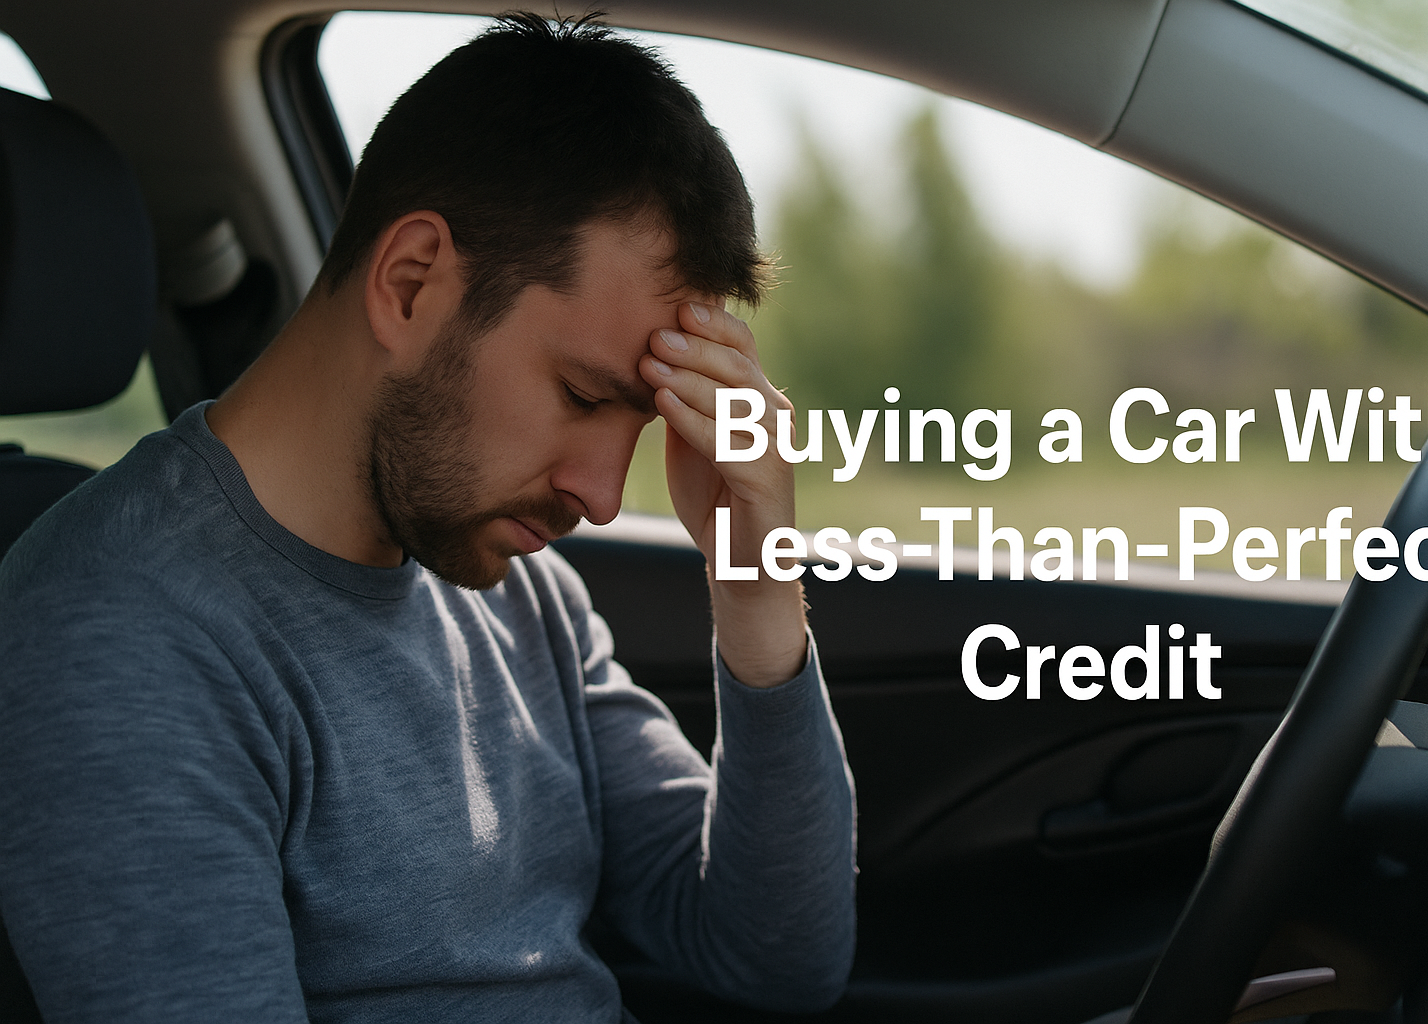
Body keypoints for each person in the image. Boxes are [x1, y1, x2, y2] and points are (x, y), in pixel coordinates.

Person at [0, 13, 856, 1023]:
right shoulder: (119, 635)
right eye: (584, 396)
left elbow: (774, 958)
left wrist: (754, 576)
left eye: (646, 419)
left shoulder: (522, 598)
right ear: (410, 285)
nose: (604, 493)